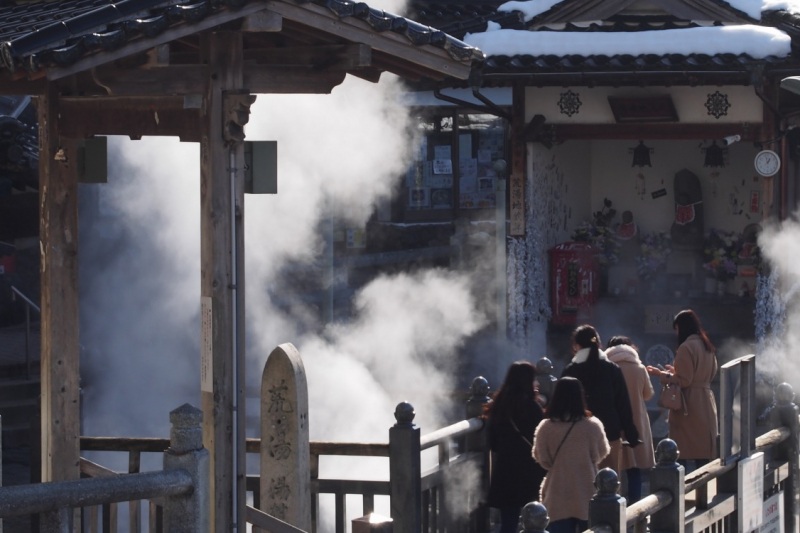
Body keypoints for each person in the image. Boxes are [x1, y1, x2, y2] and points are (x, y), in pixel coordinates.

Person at [533, 377, 610, 533]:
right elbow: (602, 453)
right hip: (587, 490)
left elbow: (542, 459)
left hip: (557, 491)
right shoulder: (593, 425)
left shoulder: (546, 427)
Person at [561, 324, 640, 474]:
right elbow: (622, 403)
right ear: (598, 343)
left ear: (577, 346)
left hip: (577, 435)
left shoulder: (570, 370)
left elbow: (562, 403)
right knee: (609, 485)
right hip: (609, 433)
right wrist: (631, 433)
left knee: (583, 484)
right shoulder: (611, 369)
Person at [647, 309, 719, 471]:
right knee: (703, 454)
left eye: (677, 329)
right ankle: (704, 492)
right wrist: (674, 372)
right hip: (705, 400)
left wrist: (662, 374)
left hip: (689, 405)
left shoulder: (686, 347)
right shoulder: (706, 345)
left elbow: (684, 380)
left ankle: (682, 492)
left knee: (682, 452)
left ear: (681, 327)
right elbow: (702, 374)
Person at [485, 361, 547, 533]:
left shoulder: (499, 406)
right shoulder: (533, 407)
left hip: (506, 469)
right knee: (534, 518)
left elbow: (493, 442)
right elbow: (540, 439)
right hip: (530, 469)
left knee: (508, 521)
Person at [605, 336, 655, 503]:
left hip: (612, 421)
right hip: (636, 422)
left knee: (610, 469)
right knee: (634, 470)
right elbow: (648, 395)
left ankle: (612, 508)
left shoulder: (606, 367)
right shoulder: (639, 368)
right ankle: (635, 509)